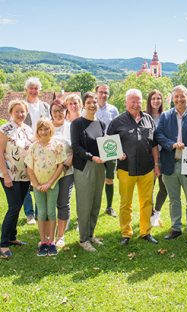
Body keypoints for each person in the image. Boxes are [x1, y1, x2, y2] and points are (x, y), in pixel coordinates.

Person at [107, 89, 160, 245]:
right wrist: (116, 153)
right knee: (125, 203)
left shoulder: (149, 119)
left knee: (146, 202)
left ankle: (145, 232)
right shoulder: (117, 121)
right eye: (132, 101)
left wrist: (157, 164)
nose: (136, 104)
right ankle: (126, 233)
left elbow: (154, 145)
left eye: (138, 101)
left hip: (147, 168)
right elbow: (108, 143)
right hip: (125, 168)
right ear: (126, 102)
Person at [156, 85, 187, 246]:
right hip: (170, 163)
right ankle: (176, 228)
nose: (179, 99)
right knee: (173, 199)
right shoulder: (165, 116)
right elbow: (159, 135)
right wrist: (172, 145)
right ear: (172, 98)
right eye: (176, 96)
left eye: (181, 96)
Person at [0, 100, 33, 259]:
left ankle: (12, 237)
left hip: (24, 175)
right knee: (14, 207)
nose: (21, 114)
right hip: (10, 175)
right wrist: (5, 175)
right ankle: (3, 244)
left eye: (23, 111)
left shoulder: (28, 129)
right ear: (11, 112)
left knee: (17, 207)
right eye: (17, 111)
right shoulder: (5, 129)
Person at [71, 92, 106, 252]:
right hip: (85, 166)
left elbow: (105, 145)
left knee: (96, 203)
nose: (93, 105)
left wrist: (115, 154)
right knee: (85, 203)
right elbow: (76, 147)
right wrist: (92, 157)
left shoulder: (101, 123)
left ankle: (91, 234)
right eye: (89, 102)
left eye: (95, 102)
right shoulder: (77, 123)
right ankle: (83, 239)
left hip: (100, 167)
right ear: (84, 105)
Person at [25, 118, 66, 256]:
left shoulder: (57, 145)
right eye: (41, 129)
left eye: (46, 128)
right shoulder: (33, 147)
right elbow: (29, 168)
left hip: (53, 184)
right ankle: (43, 242)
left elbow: (60, 165)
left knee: (51, 212)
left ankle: (52, 241)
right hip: (38, 186)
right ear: (37, 131)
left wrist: (50, 183)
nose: (44, 132)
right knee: (41, 212)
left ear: (51, 130)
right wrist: (36, 184)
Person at [23, 77, 51, 225]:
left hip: (43, 147)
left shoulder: (45, 106)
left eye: (36, 88)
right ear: (26, 90)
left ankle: (39, 211)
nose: (33, 91)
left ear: (40, 90)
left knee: (40, 177)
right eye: (31, 88)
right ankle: (29, 214)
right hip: (27, 146)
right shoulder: (22, 105)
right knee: (27, 180)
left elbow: (50, 125)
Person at [50, 99, 74, 248]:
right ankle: (48, 235)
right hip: (48, 172)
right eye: (55, 111)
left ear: (66, 112)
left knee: (63, 202)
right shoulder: (46, 126)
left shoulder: (71, 127)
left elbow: (76, 147)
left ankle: (60, 235)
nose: (58, 114)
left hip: (66, 170)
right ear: (51, 113)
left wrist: (68, 161)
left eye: (61, 110)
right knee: (49, 204)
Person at [96, 84, 119, 218]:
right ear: (96, 93)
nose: (103, 95)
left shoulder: (113, 110)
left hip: (110, 146)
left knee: (109, 178)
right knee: (97, 179)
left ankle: (109, 207)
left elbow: (117, 128)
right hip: (95, 147)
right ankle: (95, 207)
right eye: (101, 92)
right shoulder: (91, 108)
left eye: (106, 93)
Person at [147, 90, 168, 227]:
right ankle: (149, 213)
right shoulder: (144, 116)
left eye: (159, 98)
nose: (156, 101)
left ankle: (157, 212)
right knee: (149, 188)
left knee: (164, 186)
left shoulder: (166, 116)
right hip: (148, 157)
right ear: (149, 101)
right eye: (153, 98)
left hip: (165, 155)